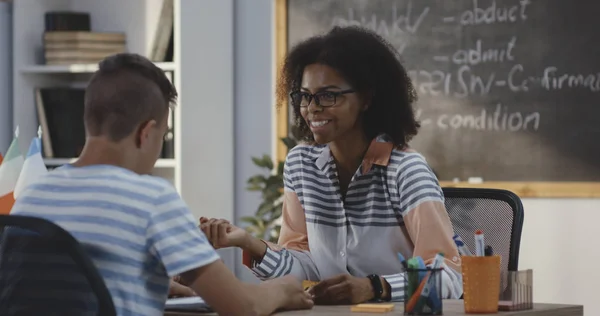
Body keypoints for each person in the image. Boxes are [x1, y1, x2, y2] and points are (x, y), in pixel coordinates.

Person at [9, 53, 313, 316]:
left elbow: (65, 283)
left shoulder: (32, 196)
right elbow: (241, 307)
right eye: (163, 135)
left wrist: (159, 283)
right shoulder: (151, 198)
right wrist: (283, 289)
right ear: (146, 132)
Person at [200, 26, 463, 305]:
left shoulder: (407, 171)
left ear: (366, 98)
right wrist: (248, 242)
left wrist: (374, 287)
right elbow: (304, 268)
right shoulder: (301, 165)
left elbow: (450, 274)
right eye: (305, 95)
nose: (312, 108)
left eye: (328, 95)